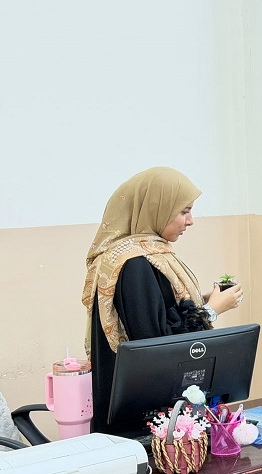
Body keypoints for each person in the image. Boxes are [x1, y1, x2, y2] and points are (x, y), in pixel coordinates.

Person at [82, 167, 243, 434]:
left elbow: (156, 313)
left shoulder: (144, 256)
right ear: (156, 209)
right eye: (184, 211)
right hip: (141, 426)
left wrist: (199, 301)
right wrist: (210, 311)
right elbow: (157, 346)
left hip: (147, 416)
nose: (190, 221)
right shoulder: (133, 264)